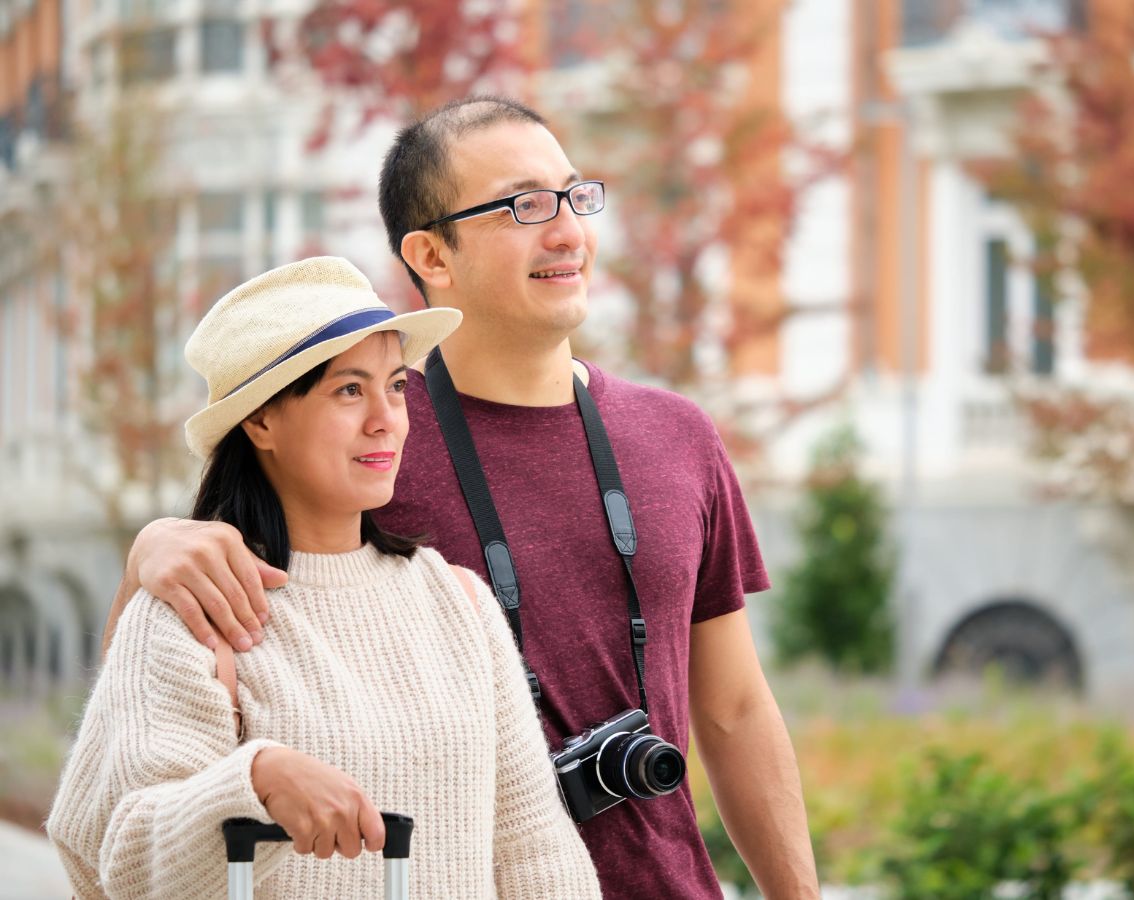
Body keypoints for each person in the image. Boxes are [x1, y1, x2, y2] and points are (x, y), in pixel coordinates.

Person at [108, 97, 820, 898]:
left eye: (574, 196)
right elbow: (158, 684)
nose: (566, 232)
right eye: (524, 206)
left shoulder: (679, 437)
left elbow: (734, 711)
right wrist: (152, 551)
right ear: (431, 256)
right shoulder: (365, 444)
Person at [53, 257, 601, 899]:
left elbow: (533, 848)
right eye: (349, 390)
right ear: (260, 421)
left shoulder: (461, 604)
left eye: (395, 386)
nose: (385, 418)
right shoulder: (195, 610)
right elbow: (129, 865)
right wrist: (255, 781)